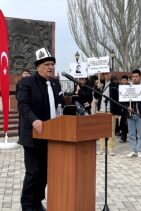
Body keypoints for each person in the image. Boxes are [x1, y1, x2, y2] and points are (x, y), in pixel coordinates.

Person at [17, 47, 64, 211]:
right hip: (33, 136)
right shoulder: (27, 82)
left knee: (45, 173)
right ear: (38, 66)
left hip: (51, 136)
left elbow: (60, 106)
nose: (50, 67)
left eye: (52, 64)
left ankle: (37, 202)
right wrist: (34, 120)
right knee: (33, 173)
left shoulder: (55, 83)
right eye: (46, 64)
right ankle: (27, 206)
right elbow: (23, 106)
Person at [94, 71, 121, 156]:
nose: (107, 75)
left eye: (109, 73)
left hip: (111, 110)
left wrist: (117, 112)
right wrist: (97, 88)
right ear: (103, 75)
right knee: (101, 130)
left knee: (111, 131)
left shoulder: (115, 84)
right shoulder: (100, 83)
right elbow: (96, 96)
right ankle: (102, 148)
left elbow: (117, 99)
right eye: (105, 74)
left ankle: (111, 148)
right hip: (101, 109)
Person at [119, 75, 129, 143]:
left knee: (128, 123)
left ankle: (135, 136)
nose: (124, 81)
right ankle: (123, 137)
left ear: (127, 81)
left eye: (125, 80)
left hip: (128, 108)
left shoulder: (130, 87)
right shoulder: (119, 88)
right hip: (121, 107)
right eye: (123, 80)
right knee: (122, 123)